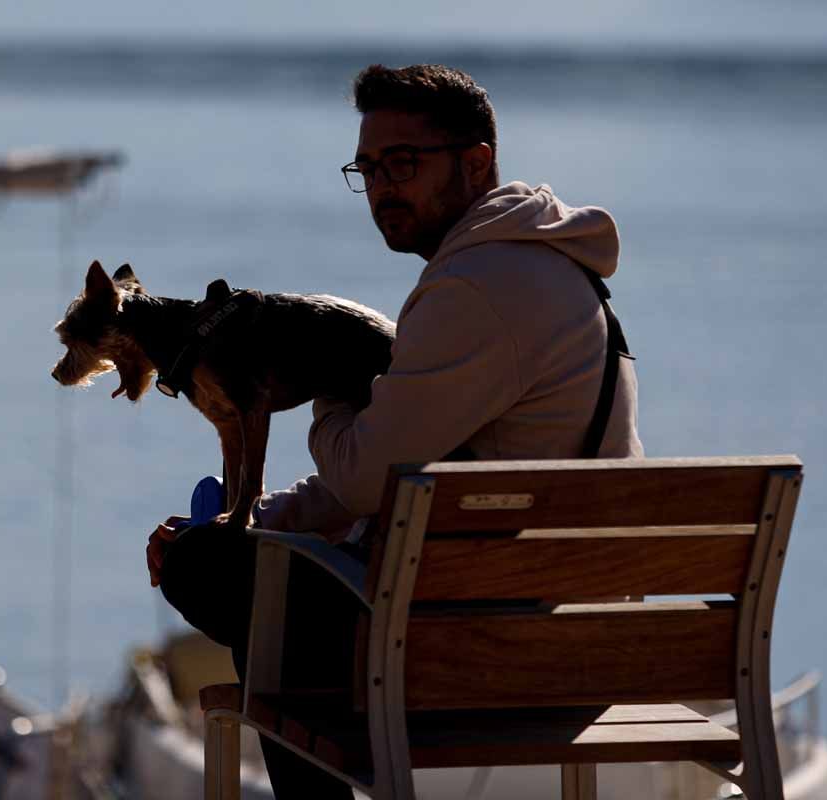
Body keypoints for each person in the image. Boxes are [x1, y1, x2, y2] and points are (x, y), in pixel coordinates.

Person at [147, 63, 644, 798]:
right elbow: (396, 471)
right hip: (563, 629)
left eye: (403, 164)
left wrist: (319, 374)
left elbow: (361, 474)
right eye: (368, 168)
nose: (381, 187)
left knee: (222, 576)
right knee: (253, 568)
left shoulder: (479, 289)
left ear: (476, 164)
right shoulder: (555, 273)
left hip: (486, 647)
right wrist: (262, 520)